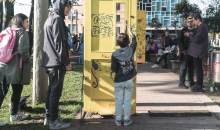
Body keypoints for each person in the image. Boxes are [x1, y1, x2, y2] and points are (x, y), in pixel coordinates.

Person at [42, 0, 72, 129]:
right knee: (55, 93)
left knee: (51, 91)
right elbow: (59, 42)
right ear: (60, 5)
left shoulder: (50, 18)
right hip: (57, 63)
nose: (69, 9)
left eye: (70, 7)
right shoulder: (58, 19)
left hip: (50, 62)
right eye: (67, 6)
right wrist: (66, 62)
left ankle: (49, 118)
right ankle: (53, 121)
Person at [0, 13, 31, 125]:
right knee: (17, 91)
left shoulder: (7, 31)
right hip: (16, 67)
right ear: (21, 21)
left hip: (3, 65)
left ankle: (14, 114)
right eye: (27, 21)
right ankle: (14, 115)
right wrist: (28, 59)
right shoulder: (22, 33)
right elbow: (23, 50)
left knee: (2, 91)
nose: (28, 23)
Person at [111, 26, 137, 126]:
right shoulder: (131, 49)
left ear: (117, 43)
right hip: (129, 80)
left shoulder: (114, 55)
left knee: (118, 101)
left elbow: (113, 69)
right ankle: (126, 120)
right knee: (127, 101)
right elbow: (135, 42)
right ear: (128, 42)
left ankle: (118, 120)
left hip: (119, 80)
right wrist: (131, 33)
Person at [184, 14, 208, 92]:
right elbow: (195, 37)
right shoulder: (200, 27)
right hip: (196, 51)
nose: (193, 22)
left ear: (198, 19)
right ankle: (198, 84)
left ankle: (199, 85)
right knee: (197, 69)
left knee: (198, 69)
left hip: (199, 51)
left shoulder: (203, 27)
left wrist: (189, 35)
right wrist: (190, 35)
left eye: (193, 20)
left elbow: (197, 39)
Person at [177, 16, 195, 89]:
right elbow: (178, 40)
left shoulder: (195, 31)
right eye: (188, 22)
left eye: (191, 21)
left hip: (193, 52)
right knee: (183, 67)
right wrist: (182, 49)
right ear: (187, 23)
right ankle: (181, 82)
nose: (190, 23)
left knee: (191, 67)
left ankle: (191, 81)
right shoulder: (183, 30)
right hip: (185, 52)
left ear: (193, 22)